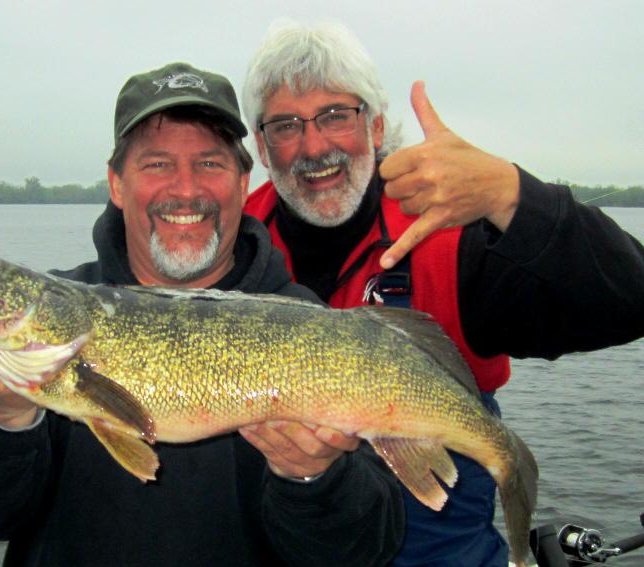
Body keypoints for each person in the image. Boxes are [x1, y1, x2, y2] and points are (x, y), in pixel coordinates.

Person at [0, 62, 405, 566]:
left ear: (241, 182)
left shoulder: (310, 323)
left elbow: (365, 551)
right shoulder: (59, 319)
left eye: (210, 164)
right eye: (157, 164)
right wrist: (1, 415)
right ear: (117, 184)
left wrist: (314, 477)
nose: (185, 190)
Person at [241, 20, 644, 567]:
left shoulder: (451, 236)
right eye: (286, 126)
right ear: (263, 148)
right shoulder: (237, 244)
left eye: (337, 115)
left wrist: (512, 195)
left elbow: (630, 298)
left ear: (377, 127)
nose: (314, 146)